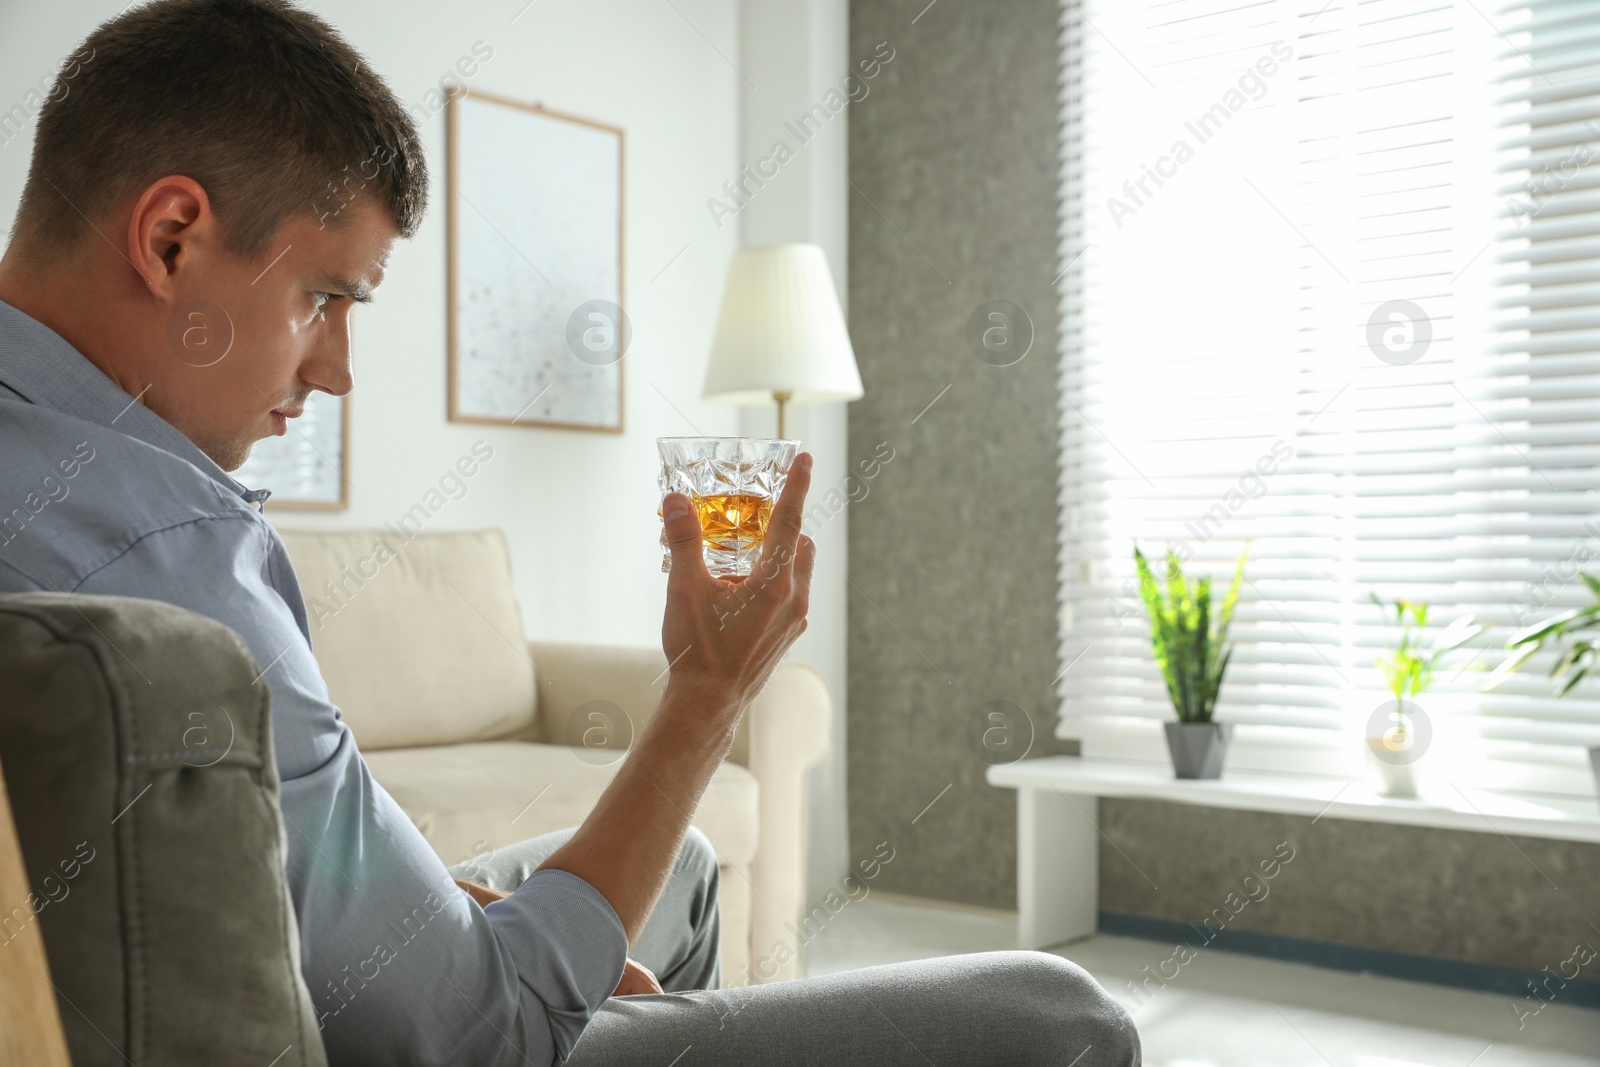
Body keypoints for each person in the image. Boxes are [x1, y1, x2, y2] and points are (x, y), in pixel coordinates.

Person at [0, 2, 1140, 1064]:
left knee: (683, 868)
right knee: (1068, 1012)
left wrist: (454, 918)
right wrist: (708, 691)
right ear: (171, 239)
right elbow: (478, 1025)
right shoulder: (179, 556)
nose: (340, 369)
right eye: (324, 298)